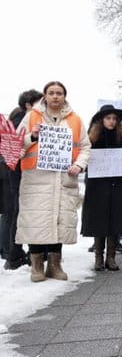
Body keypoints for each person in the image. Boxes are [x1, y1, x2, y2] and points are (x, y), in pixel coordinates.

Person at [16, 81, 92, 282]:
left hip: (64, 178)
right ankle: (37, 265)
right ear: (45, 96)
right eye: (51, 93)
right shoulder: (32, 116)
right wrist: (32, 135)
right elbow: (16, 143)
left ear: (64, 96)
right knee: (36, 221)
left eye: (59, 93)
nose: (55, 96)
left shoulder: (75, 120)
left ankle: (55, 264)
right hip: (36, 179)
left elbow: (85, 146)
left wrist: (79, 165)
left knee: (59, 221)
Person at [81, 105, 122, 271]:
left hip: (118, 185)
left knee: (116, 218)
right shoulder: (91, 139)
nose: (112, 121)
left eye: (114, 119)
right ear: (101, 120)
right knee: (99, 219)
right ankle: (98, 256)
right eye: (108, 118)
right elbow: (83, 159)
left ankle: (111, 257)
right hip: (97, 186)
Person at [1, 89, 41, 270]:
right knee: (15, 214)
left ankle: (12, 253)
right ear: (28, 104)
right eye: (39, 102)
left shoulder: (19, 120)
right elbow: (13, 152)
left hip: (16, 174)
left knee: (14, 214)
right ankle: (13, 255)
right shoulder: (21, 123)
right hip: (17, 175)